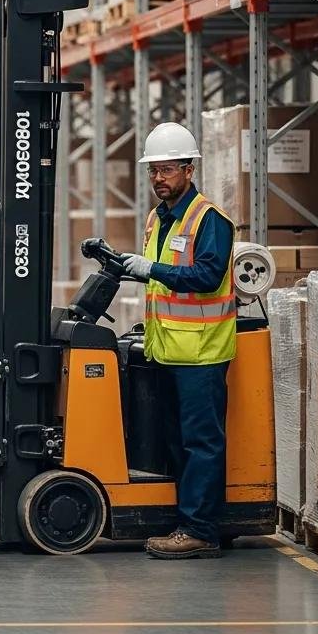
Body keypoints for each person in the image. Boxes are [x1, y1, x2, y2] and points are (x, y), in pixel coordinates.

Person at [119, 121, 236, 561]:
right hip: (167, 350)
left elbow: (206, 276)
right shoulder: (157, 219)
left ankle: (201, 529)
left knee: (201, 442)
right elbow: (161, 282)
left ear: (189, 170)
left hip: (202, 353)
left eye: (166, 171)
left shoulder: (210, 220)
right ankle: (190, 521)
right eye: (153, 171)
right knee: (175, 442)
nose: (157, 179)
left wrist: (151, 270)